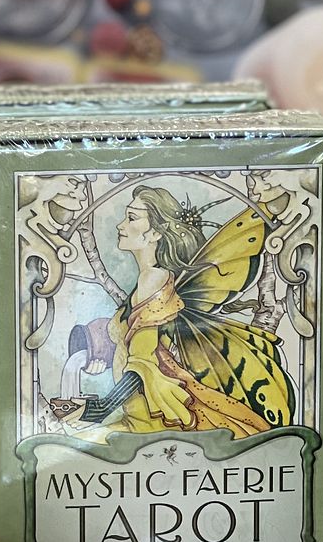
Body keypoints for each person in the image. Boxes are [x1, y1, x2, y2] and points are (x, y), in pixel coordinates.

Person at [74, 185, 294, 438]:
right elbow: (130, 347)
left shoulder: (153, 279)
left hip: (155, 415)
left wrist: (100, 409)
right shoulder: (147, 282)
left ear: (155, 232)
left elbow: (143, 362)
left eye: (132, 218)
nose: (121, 225)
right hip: (141, 410)